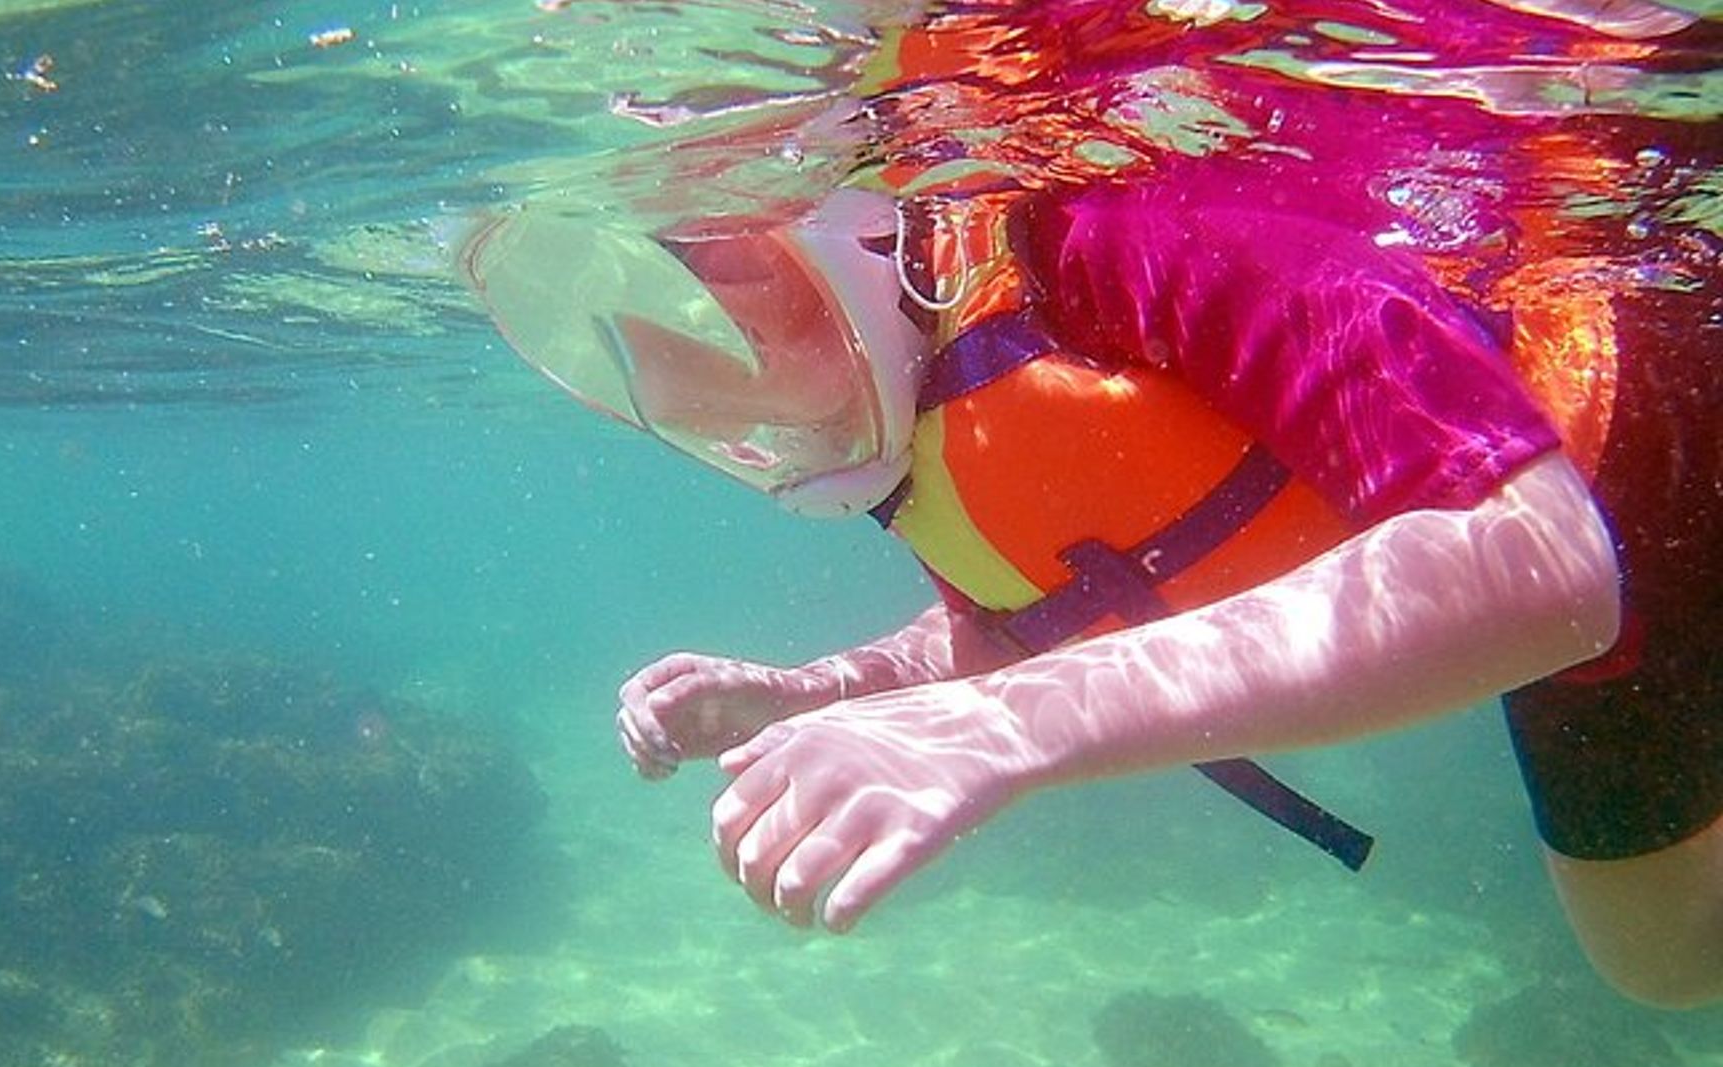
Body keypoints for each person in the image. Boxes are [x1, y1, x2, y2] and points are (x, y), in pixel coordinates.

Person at [462, 0, 1720, 1007]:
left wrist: (1002, 735)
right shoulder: (935, 365)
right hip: (1567, 560)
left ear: (838, 226)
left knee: (1667, 954)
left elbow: (1535, 566)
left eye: (716, 294)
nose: (725, 402)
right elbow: (1047, 607)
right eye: (678, 394)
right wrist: (831, 692)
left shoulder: (1135, 215)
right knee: (1663, 964)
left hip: (1652, 437)